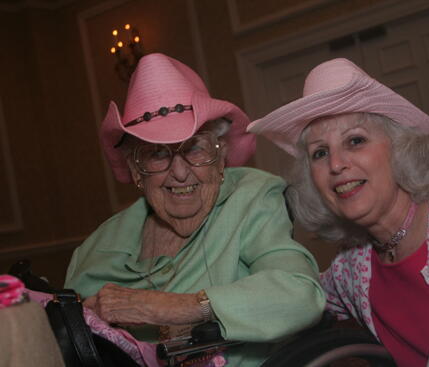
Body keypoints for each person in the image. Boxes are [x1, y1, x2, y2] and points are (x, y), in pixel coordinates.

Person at [247, 58, 429, 366]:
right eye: (320, 153)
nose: (336, 164)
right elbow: (294, 300)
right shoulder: (350, 268)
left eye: (355, 140)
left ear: (400, 149)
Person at [64, 53, 326, 367]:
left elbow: (301, 296)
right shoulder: (96, 248)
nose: (180, 172)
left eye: (194, 148)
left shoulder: (252, 198)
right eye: (156, 154)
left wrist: (176, 306)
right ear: (136, 170)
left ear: (221, 156)